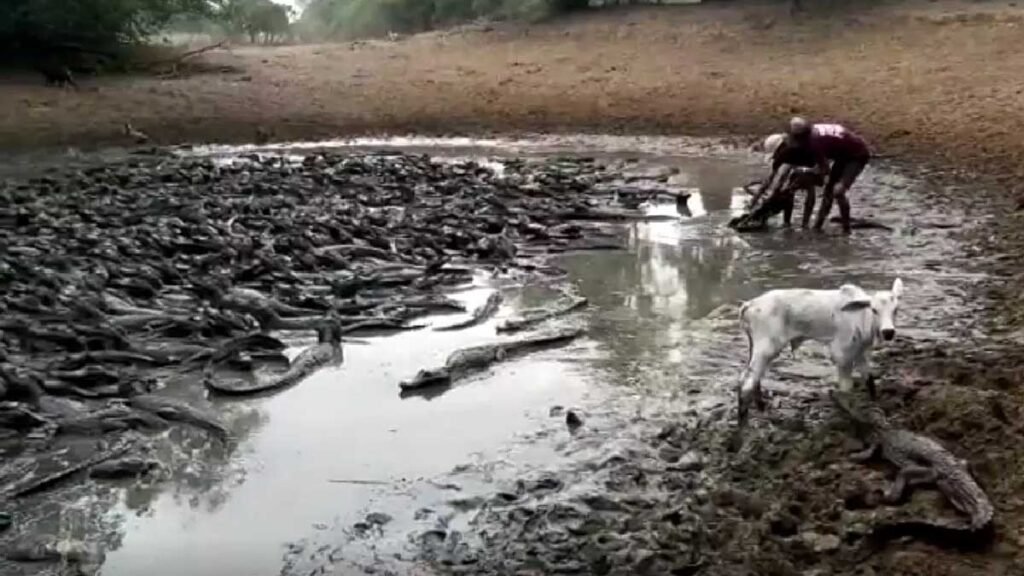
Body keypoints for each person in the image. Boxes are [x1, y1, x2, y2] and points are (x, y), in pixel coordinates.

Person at [785, 117, 872, 234]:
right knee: (829, 191)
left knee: (838, 191)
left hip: (857, 156)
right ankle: (817, 227)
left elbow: (824, 170)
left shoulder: (813, 143)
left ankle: (847, 230)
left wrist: (806, 172)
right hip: (843, 155)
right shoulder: (812, 134)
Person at [750, 129, 823, 229]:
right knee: (789, 189)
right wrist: (757, 197)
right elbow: (773, 175)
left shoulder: (795, 147)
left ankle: (804, 224)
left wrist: (773, 194)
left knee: (805, 184)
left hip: (819, 162)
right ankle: (787, 222)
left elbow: (783, 175)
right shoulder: (787, 151)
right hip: (809, 163)